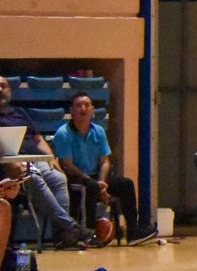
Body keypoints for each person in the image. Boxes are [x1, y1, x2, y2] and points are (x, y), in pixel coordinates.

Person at [52, 91, 154, 244]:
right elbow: (68, 165)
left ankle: (133, 232)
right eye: (79, 106)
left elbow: (105, 161)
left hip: (97, 178)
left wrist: (102, 182)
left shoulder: (98, 131)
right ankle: (91, 234)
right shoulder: (63, 133)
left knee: (126, 184)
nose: (83, 109)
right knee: (91, 186)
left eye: (87, 105)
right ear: (71, 111)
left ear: (92, 110)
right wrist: (95, 184)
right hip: (76, 178)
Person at [0, 74, 88, 248]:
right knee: (33, 177)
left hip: (32, 159)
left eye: (4, 86)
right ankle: (70, 226)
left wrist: (51, 158)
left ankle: (62, 236)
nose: (0, 90)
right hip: (7, 165)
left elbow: (38, 139)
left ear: (9, 90)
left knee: (58, 178)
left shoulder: (19, 113)